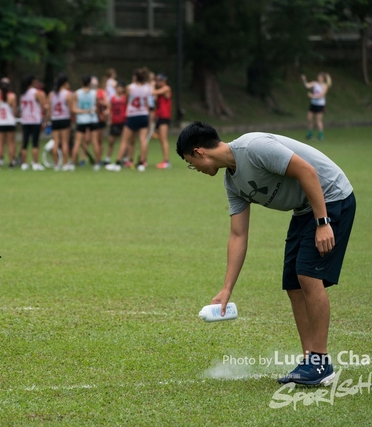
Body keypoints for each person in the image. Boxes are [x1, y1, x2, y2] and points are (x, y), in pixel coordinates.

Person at [176, 121, 355, 386]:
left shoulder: (254, 148)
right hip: (305, 209)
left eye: (191, 163)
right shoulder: (232, 183)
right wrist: (226, 289)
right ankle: (310, 362)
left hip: (331, 197)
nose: (196, 169)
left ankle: (321, 363)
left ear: (199, 151)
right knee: (293, 283)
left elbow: (307, 172)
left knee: (307, 274)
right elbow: (238, 235)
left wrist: (323, 222)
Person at [105, 67, 151, 172]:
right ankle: (141, 163)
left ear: (135, 77)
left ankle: (117, 163)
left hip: (132, 115)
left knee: (124, 140)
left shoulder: (130, 88)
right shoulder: (147, 88)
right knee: (143, 140)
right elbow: (147, 103)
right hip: (144, 114)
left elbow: (125, 98)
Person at [19, 74, 48, 171]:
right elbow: (44, 106)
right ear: (32, 82)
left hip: (25, 119)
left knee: (25, 142)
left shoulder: (22, 93)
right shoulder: (36, 93)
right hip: (35, 119)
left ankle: (24, 164)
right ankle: (35, 163)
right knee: (35, 142)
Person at [70, 75, 98, 171]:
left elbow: (73, 109)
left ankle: (72, 163)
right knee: (94, 142)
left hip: (82, 120)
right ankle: (97, 164)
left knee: (77, 142)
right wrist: (89, 111)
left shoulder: (77, 93)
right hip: (92, 119)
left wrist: (83, 111)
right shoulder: (95, 93)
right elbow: (96, 107)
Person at [48, 73, 73, 171]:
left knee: (56, 142)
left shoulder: (51, 94)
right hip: (64, 118)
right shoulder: (67, 94)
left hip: (55, 119)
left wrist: (48, 119)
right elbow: (70, 108)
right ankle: (65, 164)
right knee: (65, 143)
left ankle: (56, 164)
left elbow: (49, 109)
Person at [0, 77, 17, 169]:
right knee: (11, 143)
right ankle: (11, 162)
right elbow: (14, 111)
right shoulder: (12, 97)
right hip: (10, 122)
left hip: (1, 122)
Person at [301, 72, 331, 141]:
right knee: (309, 119)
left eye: (320, 77)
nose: (318, 78)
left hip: (320, 105)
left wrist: (312, 96)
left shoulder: (325, 86)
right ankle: (310, 134)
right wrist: (304, 79)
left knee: (318, 121)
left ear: (323, 78)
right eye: (318, 76)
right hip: (313, 104)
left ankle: (320, 135)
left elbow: (320, 96)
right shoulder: (315, 83)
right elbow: (307, 86)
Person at [152, 73, 172, 169]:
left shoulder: (166, 88)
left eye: (159, 80)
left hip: (164, 116)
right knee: (160, 138)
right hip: (159, 116)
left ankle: (166, 161)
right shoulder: (160, 90)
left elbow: (153, 92)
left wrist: (151, 84)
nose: (158, 82)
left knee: (163, 139)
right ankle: (164, 160)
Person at [105, 81, 126, 165]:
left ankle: (124, 158)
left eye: (121, 87)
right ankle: (107, 159)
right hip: (114, 122)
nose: (119, 89)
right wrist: (109, 119)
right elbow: (109, 109)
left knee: (124, 142)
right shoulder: (112, 98)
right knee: (111, 141)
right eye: (118, 87)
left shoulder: (125, 98)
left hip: (123, 121)